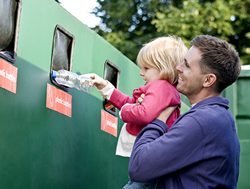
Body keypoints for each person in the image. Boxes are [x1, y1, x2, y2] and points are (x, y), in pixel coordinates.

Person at [128, 35, 241, 189]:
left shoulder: (203, 120)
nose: (178, 67)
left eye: (186, 65)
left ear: (208, 80)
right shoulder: (216, 117)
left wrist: (158, 120)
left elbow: (138, 167)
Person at [88, 36, 188, 189]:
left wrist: (124, 112)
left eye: (146, 68)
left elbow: (143, 113)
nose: (141, 73)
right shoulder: (165, 89)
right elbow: (133, 105)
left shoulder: (161, 87)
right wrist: (106, 88)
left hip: (150, 161)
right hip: (151, 161)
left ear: (164, 68)